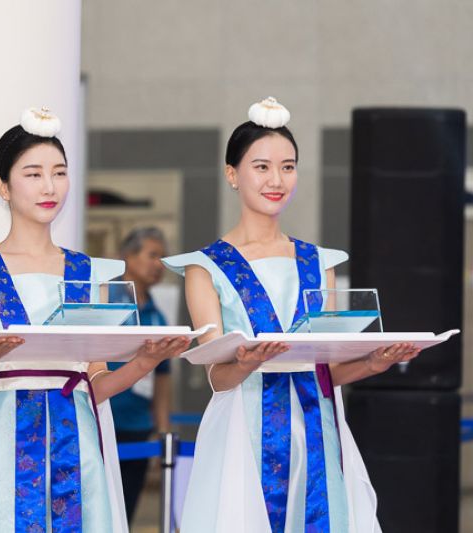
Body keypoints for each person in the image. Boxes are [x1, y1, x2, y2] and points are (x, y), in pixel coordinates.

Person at [163, 97, 421, 533]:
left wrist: (372, 363)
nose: (276, 180)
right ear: (232, 174)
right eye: (261, 167)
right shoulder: (205, 267)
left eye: (288, 166)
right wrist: (248, 362)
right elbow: (217, 377)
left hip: (316, 425)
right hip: (243, 431)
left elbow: (325, 369)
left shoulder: (319, 262)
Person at [0, 108, 189, 533]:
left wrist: (145, 362)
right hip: (2, 444)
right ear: (2, 186)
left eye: (59, 173)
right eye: (33, 174)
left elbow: (96, 383)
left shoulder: (91, 273)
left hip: (78, 441)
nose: (49, 187)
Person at [107, 227, 172, 522]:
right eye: (152, 255)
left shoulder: (158, 316)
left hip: (138, 427)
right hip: (103, 420)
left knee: (127, 512)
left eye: (163, 258)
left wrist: (163, 430)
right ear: (127, 257)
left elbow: (162, 379)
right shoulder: (105, 302)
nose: (159, 264)